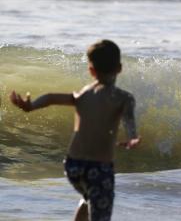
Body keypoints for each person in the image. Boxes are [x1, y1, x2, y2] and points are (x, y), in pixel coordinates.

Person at [10, 40, 141, 221]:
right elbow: (129, 120)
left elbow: (50, 97)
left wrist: (31, 106)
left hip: (73, 166)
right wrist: (133, 137)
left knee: (88, 198)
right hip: (99, 168)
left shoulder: (83, 94)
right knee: (99, 212)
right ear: (119, 68)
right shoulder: (124, 98)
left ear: (91, 71)